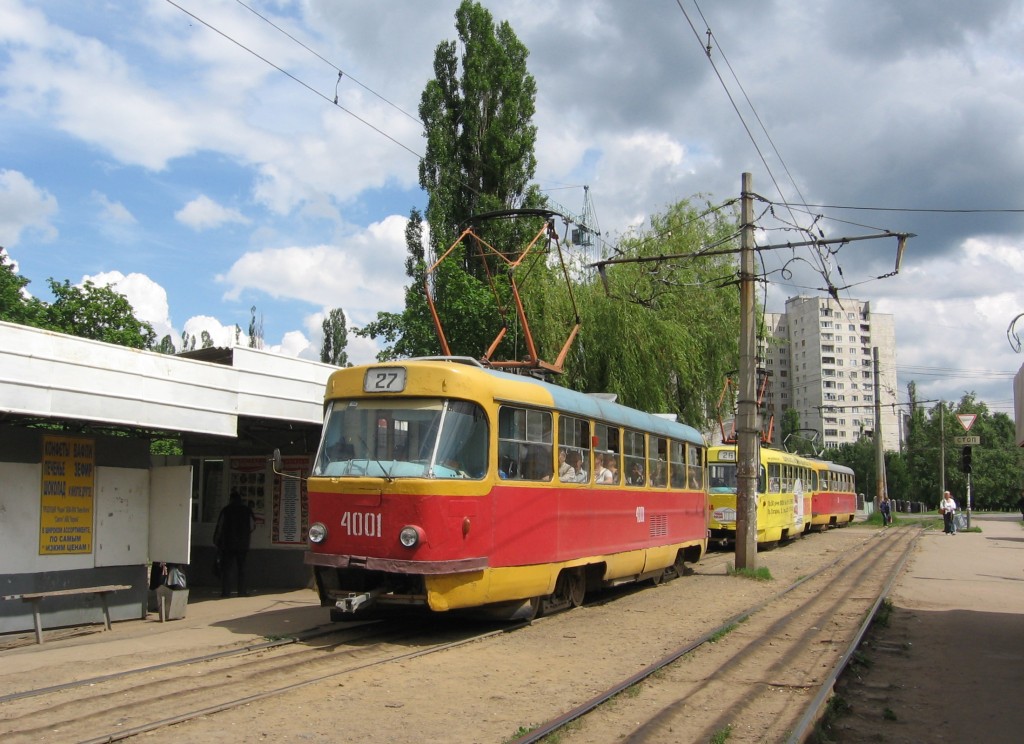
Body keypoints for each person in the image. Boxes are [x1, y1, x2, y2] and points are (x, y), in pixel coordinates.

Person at [214, 489, 256, 596]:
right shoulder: (247, 510)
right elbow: (252, 526)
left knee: (227, 569)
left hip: (228, 544)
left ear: (231, 499)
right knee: (242, 569)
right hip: (243, 544)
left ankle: (226, 592)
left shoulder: (226, 510)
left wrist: (217, 540)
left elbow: (220, 526)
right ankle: (242, 592)